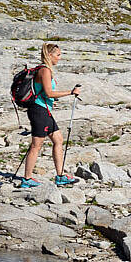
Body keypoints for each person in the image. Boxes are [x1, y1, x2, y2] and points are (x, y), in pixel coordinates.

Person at [18, 43, 81, 188]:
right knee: (36, 145)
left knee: (58, 139)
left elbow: (47, 94)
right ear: (50, 55)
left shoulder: (45, 70)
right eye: (58, 55)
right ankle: (27, 178)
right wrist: (70, 92)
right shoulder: (44, 71)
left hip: (44, 110)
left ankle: (60, 176)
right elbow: (49, 93)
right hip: (38, 111)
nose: (60, 57)